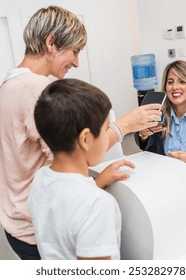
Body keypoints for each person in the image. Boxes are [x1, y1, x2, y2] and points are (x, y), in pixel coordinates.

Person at [0, 5, 161, 260]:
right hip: (35, 227)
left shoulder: (11, 82)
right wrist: (124, 126)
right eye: (74, 51)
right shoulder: (37, 88)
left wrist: (96, 181)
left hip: (18, 218)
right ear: (51, 42)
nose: (76, 61)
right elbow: (73, 149)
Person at [29, 78, 131, 260]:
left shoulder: (40, 178)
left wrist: (96, 183)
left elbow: (67, 209)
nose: (108, 138)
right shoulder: (98, 205)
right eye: (106, 129)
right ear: (86, 139)